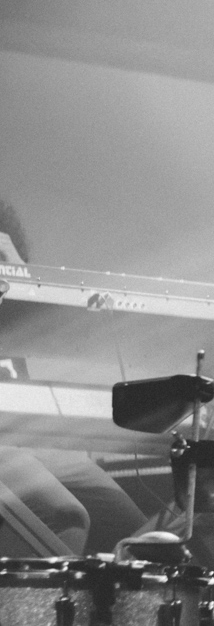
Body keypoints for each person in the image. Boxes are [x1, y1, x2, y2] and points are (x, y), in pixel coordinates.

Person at [0, 198, 147, 556]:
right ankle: (38, 613)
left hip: (24, 438)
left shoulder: (10, 305)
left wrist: (18, 274)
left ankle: (104, 613)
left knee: (128, 526)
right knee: (64, 515)